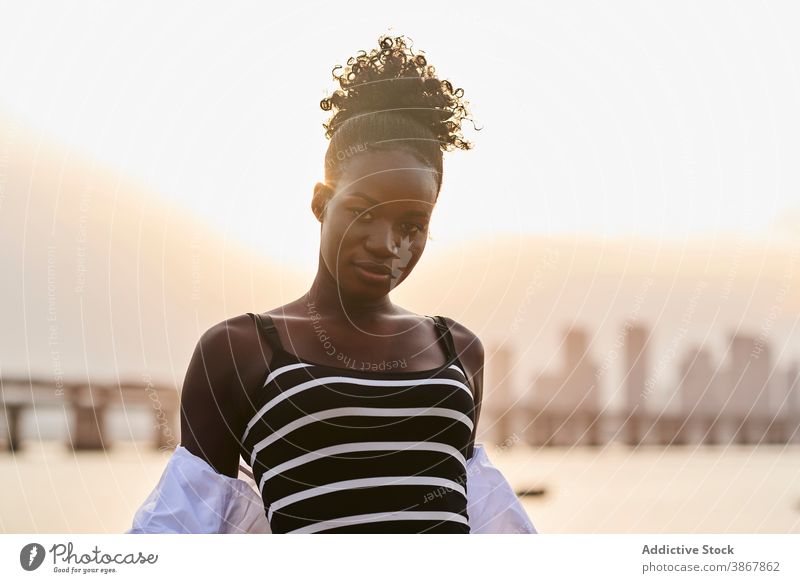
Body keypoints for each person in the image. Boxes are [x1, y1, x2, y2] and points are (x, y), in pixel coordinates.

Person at [127, 34, 536, 534]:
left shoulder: (456, 348)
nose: (388, 243)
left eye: (412, 224)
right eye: (363, 211)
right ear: (321, 201)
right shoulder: (239, 350)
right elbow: (180, 532)